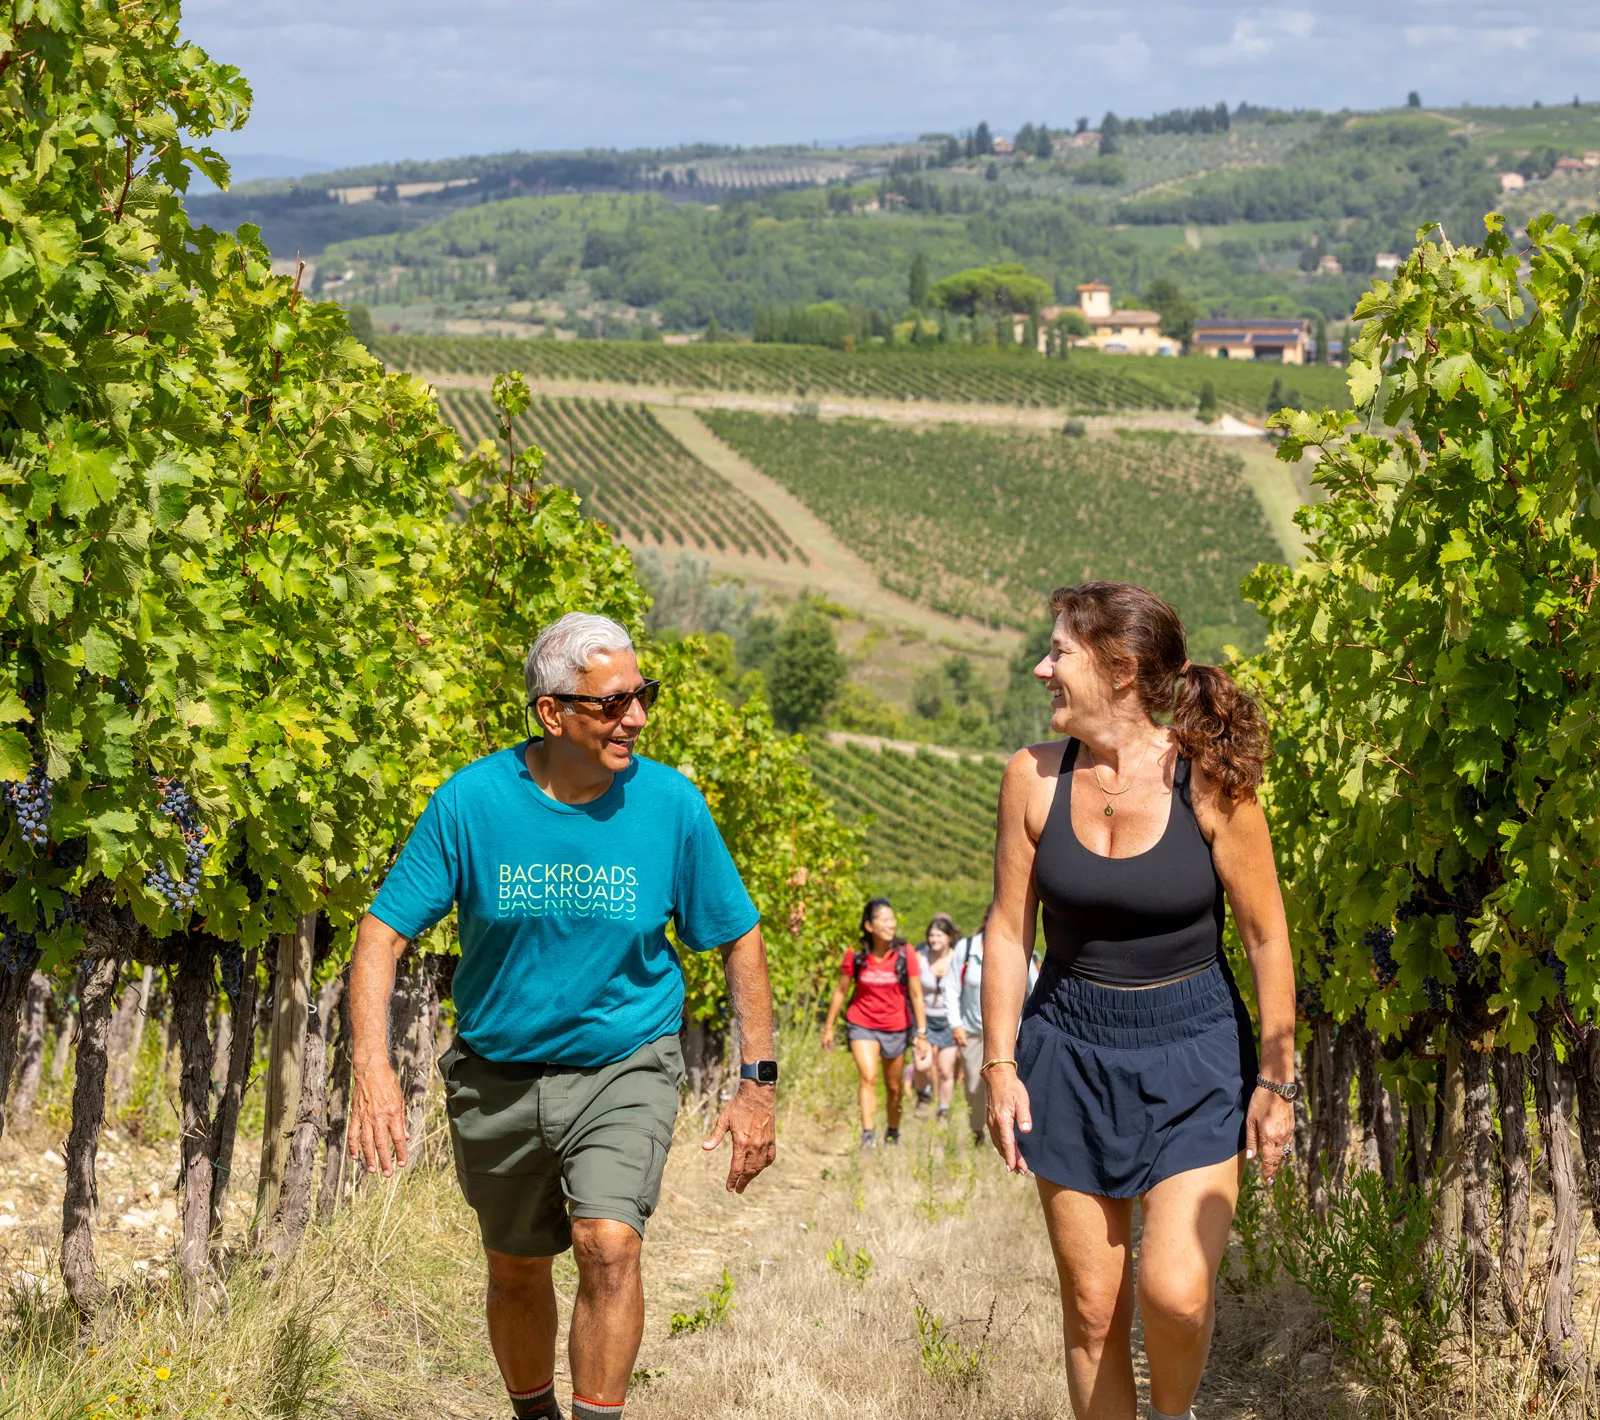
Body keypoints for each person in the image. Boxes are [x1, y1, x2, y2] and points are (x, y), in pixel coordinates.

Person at [346, 612, 779, 1420]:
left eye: (642, 696)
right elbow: (382, 933)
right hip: (495, 1078)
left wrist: (757, 1082)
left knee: (607, 1245)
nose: (638, 718)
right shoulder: (472, 803)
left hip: (625, 1064)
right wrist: (371, 1067)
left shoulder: (671, 807)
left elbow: (739, 936)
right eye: (613, 704)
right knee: (515, 1267)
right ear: (552, 712)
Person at [982, 582, 1296, 1420]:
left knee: (1177, 1294)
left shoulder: (1210, 786)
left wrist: (1277, 1080)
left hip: (1194, 1052)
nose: (1041, 668)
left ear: (1120, 670)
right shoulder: (1032, 780)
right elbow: (1009, 933)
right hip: (1068, 1053)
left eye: (1059, 653)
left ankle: (1175, 1413)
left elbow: (1267, 937)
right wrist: (999, 1063)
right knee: (1093, 1311)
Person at [821, 898, 928, 1149]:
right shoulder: (856, 953)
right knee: (867, 1076)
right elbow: (841, 990)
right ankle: (867, 1136)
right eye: (884, 919)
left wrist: (921, 1033)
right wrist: (828, 1027)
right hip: (862, 1024)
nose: (891, 924)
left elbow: (916, 994)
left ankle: (893, 1132)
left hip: (896, 1026)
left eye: (892, 919)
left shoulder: (905, 953)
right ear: (869, 925)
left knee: (893, 1087)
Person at [952, 903, 1038, 1147]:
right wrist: (955, 1023)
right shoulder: (966, 949)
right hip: (972, 1033)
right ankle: (976, 1129)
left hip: (1009, 1035)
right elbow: (950, 987)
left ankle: (1010, 1132)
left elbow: (1033, 985)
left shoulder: (1019, 951)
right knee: (973, 1087)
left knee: (1010, 1084)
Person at [910, 914, 962, 1123]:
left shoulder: (958, 958)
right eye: (931, 935)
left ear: (949, 937)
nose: (934, 940)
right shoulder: (920, 956)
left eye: (939, 935)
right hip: (924, 1019)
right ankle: (924, 1093)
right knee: (922, 1065)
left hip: (948, 1020)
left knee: (945, 1069)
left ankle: (943, 1109)